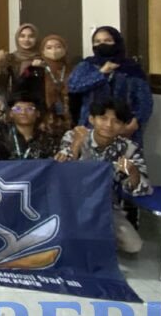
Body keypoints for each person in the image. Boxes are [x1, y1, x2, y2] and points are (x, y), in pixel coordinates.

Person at [55, 99, 152, 253]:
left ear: (124, 126)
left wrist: (133, 172)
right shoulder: (75, 135)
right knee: (65, 240)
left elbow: (142, 188)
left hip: (104, 206)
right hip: (70, 201)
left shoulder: (129, 148)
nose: (108, 125)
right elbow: (60, 172)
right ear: (91, 119)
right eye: (103, 118)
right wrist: (76, 145)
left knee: (133, 246)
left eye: (116, 121)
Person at [67, 26, 153, 144]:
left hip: (124, 126)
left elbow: (145, 100)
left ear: (117, 42)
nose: (102, 44)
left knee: (123, 155)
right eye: (97, 42)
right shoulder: (86, 65)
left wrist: (136, 122)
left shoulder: (131, 68)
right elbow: (74, 86)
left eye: (107, 41)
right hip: (91, 125)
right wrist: (101, 73)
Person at [0, 95, 59, 160]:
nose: (23, 112)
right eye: (17, 109)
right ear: (11, 114)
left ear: (38, 114)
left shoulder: (47, 140)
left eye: (29, 109)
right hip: (5, 178)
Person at [25, 34, 74, 136]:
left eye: (58, 47)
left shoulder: (71, 69)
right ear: (43, 51)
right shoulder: (37, 68)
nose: (54, 51)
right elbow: (23, 86)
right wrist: (32, 69)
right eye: (49, 48)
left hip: (69, 118)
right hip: (43, 119)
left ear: (65, 49)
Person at [0, 23, 42, 102]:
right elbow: (1, 86)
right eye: (22, 36)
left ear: (36, 39)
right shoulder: (10, 58)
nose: (26, 40)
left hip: (39, 104)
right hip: (16, 103)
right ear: (17, 38)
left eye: (31, 36)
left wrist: (41, 67)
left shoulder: (43, 59)